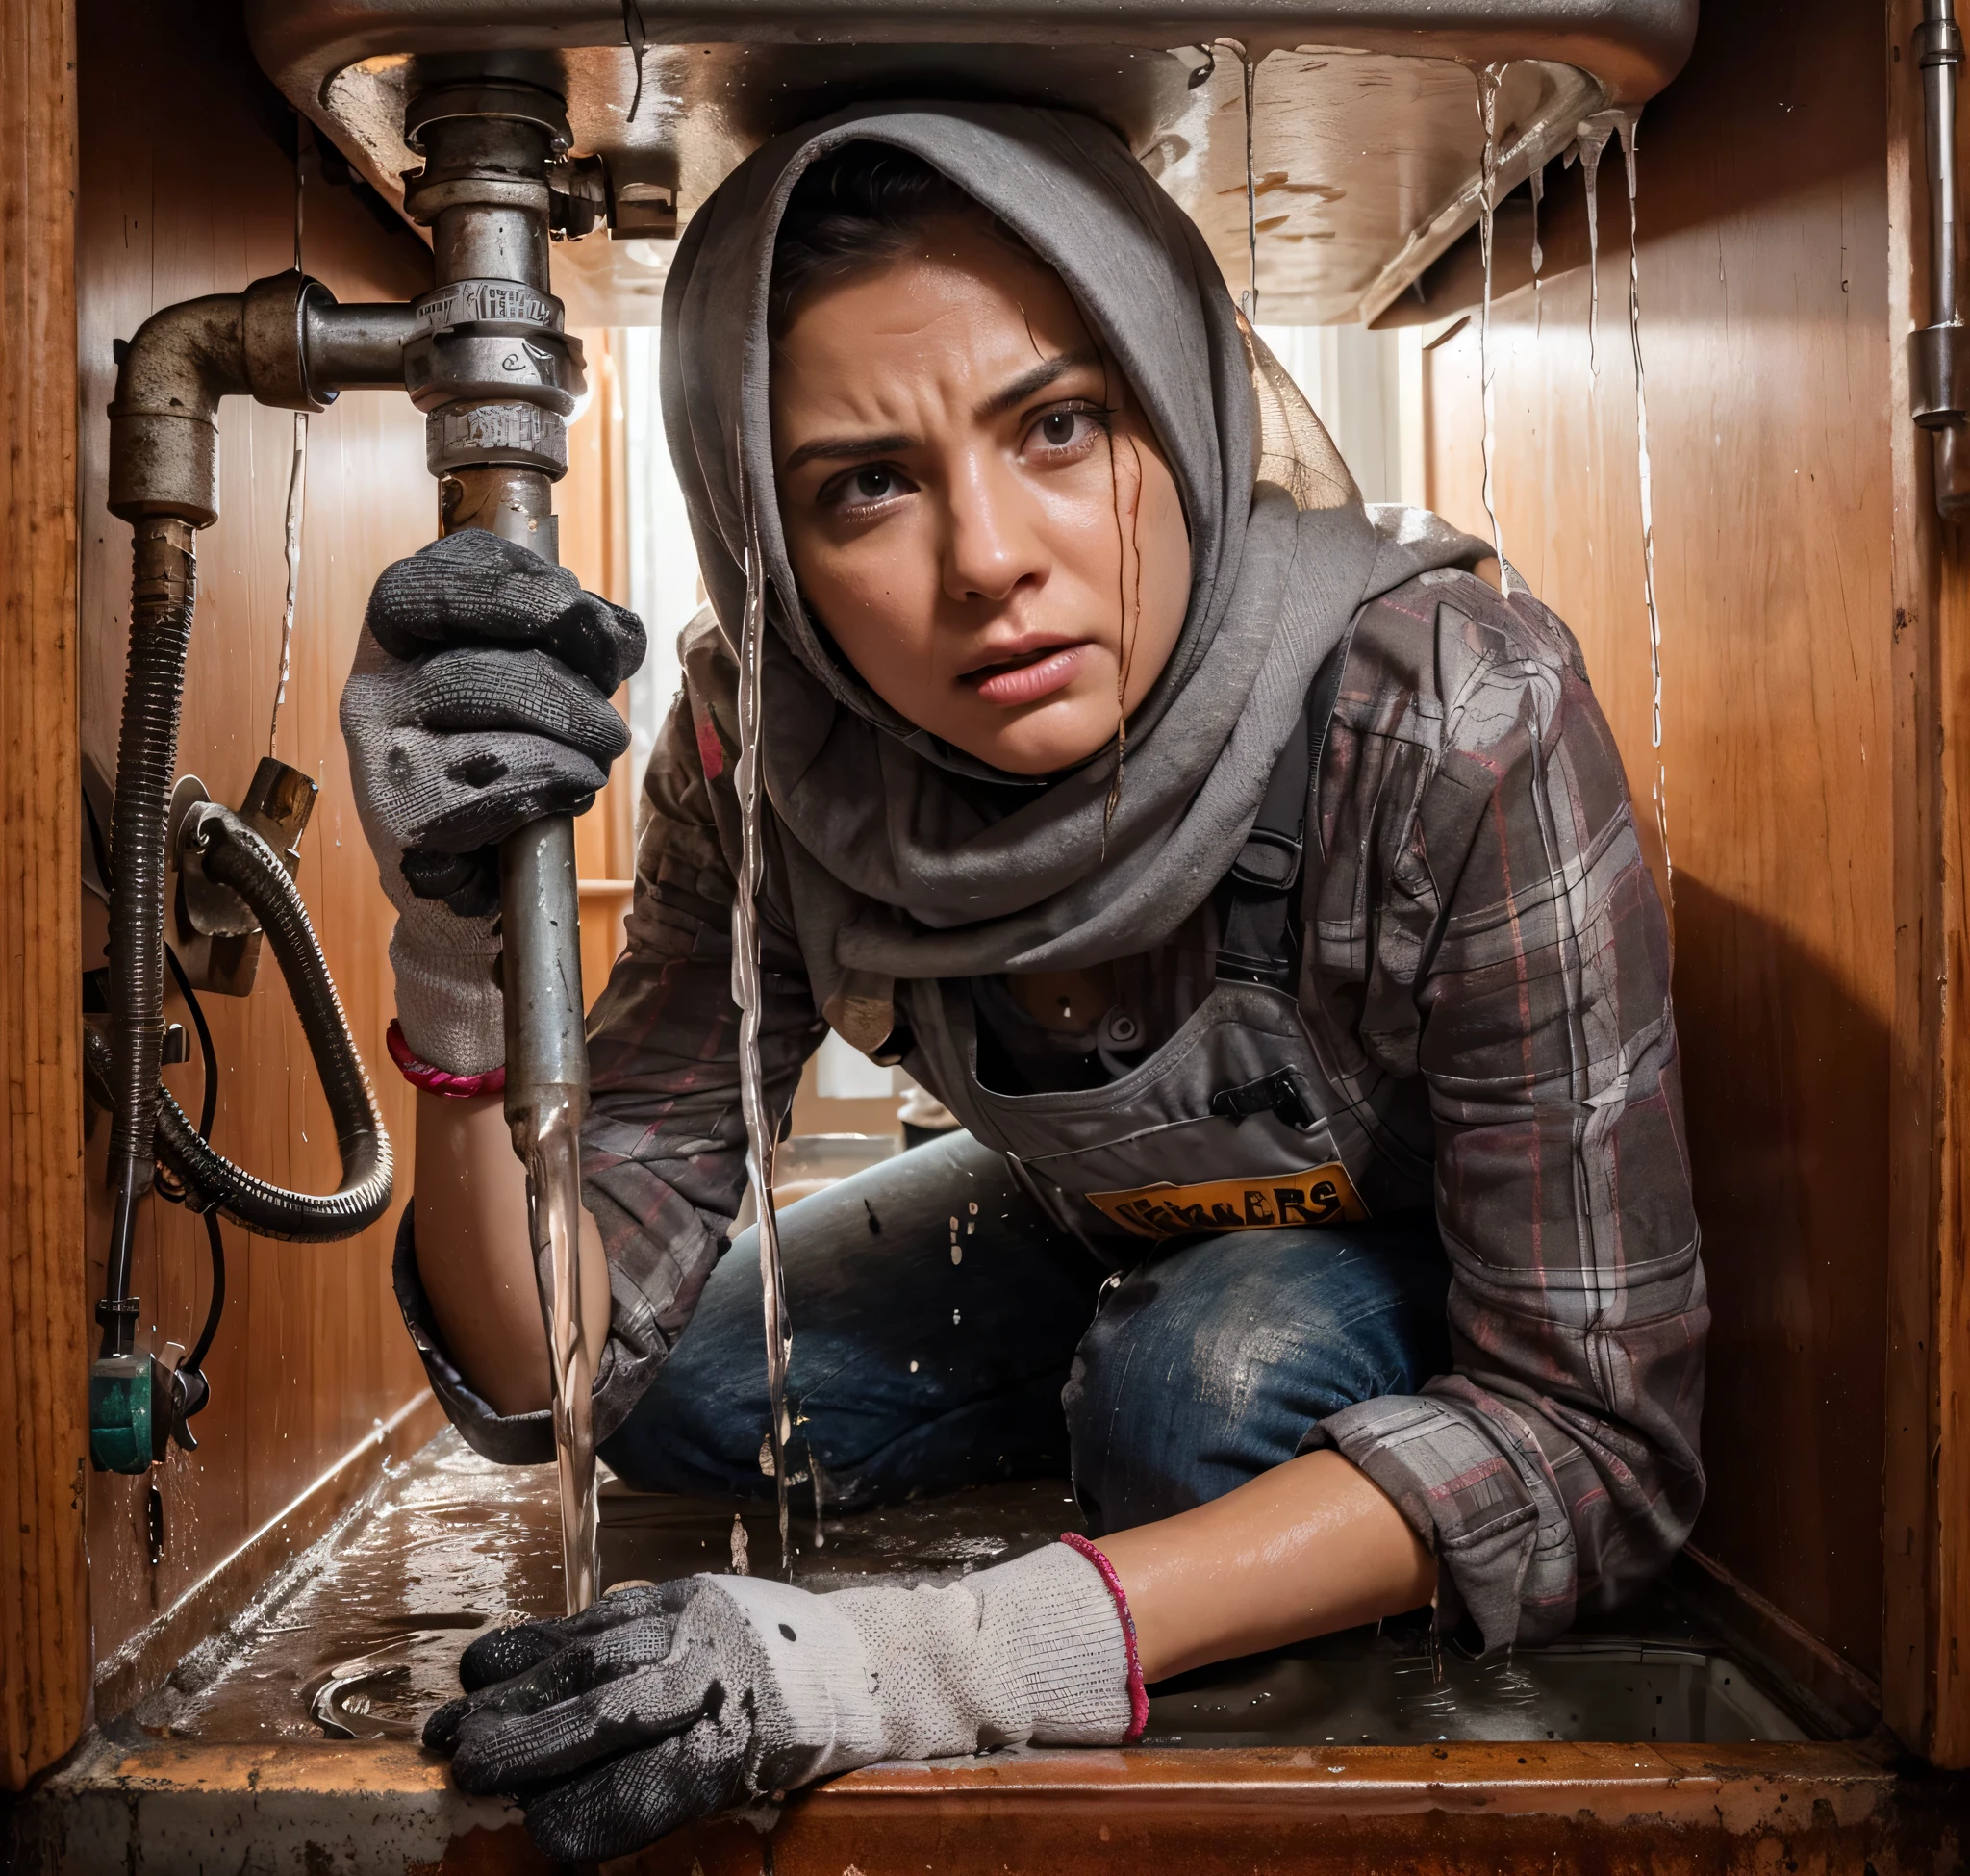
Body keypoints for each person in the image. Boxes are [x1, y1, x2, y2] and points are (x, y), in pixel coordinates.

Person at [340, 102, 1706, 1861]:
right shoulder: (768, 757)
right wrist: (459, 958)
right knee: (685, 1397)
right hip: (1080, 1237)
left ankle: (1142, 1450)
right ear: (771, 539)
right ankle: (1130, 1432)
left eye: (1059, 426)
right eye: (868, 485)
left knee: (1197, 1397)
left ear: (1178, 406)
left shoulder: (1449, 712)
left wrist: (936, 1657)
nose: (988, 559)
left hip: (1410, 1285)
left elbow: (1602, 1438)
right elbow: (549, 1370)